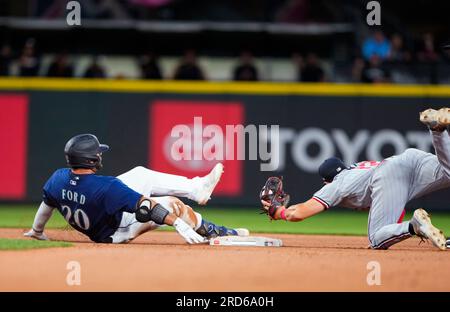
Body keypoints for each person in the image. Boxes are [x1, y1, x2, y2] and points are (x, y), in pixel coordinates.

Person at [261, 108, 450, 250]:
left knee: (376, 239)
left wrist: (279, 213)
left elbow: (300, 212)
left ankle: (414, 226)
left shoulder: (337, 184)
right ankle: (438, 131)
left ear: (327, 180)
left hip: (390, 174)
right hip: (409, 160)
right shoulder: (357, 169)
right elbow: (393, 202)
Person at [24, 134, 248, 244]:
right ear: (91, 159)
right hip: (114, 232)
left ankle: (197, 188)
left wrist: (37, 230)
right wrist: (177, 222)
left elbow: (47, 204)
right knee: (173, 204)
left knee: (141, 173)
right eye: (98, 152)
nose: (100, 155)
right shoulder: (108, 187)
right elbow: (147, 206)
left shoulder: (58, 178)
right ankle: (214, 231)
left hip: (100, 212)